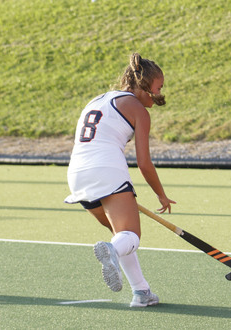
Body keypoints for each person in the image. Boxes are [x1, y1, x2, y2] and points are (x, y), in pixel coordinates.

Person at [65, 53, 176, 308]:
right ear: (145, 85)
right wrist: (161, 194)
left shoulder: (98, 99)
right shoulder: (139, 110)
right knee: (129, 235)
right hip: (107, 169)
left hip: (77, 174)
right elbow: (144, 163)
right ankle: (112, 251)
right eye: (158, 88)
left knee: (120, 235)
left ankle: (141, 292)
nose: (159, 93)